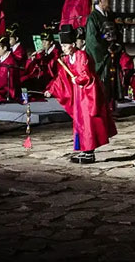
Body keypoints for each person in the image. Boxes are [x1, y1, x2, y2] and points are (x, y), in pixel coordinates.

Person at [45, 24, 117, 164]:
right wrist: (52, 89)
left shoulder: (81, 56)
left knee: (88, 122)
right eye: (62, 46)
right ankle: (84, 150)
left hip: (88, 93)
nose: (63, 48)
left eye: (65, 46)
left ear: (72, 44)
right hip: (78, 94)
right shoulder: (67, 59)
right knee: (80, 122)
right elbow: (61, 76)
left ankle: (90, 153)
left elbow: (87, 75)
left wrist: (77, 79)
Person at [84, 0, 113, 95]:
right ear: (101, 1)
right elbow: (92, 39)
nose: (109, 2)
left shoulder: (109, 15)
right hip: (100, 56)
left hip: (110, 52)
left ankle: (110, 105)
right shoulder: (93, 17)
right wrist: (104, 52)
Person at [22, 24, 60, 93]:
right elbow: (32, 69)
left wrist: (42, 58)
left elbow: (52, 71)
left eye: (46, 41)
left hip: (53, 79)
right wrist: (33, 59)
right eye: (42, 41)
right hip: (42, 78)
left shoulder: (56, 53)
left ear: (51, 42)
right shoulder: (42, 52)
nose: (43, 43)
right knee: (24, 80)